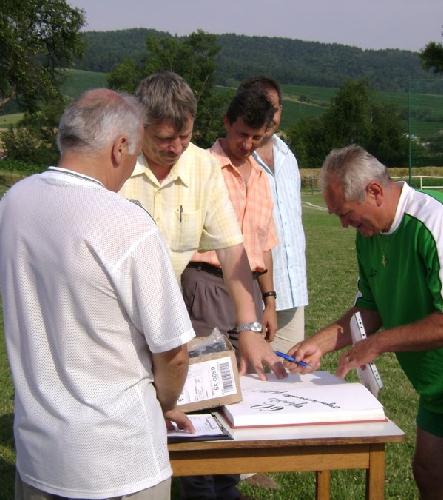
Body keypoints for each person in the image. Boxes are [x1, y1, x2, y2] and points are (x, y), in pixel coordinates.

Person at [287, 144, 443, 500]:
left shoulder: (436, 221)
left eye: (346, 213)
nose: (345, 224)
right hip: (439, 383)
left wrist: (377, 343)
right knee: (429, 475)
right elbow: (371, 308)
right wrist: (319, 343)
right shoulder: (368, 235)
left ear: (374, 192)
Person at [0, 89, 196, 499]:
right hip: (120, 460)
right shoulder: (127, 224)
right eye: (135, 154)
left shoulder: (11, 204)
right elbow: (173, 352)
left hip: (39, 455)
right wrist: (166, 401)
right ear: (120, 147)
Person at [118, 71, 285, 380]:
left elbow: (232, 250)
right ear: (139, 125)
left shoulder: (203, 167)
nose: (176, 148)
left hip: (166, 319)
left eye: (185, 136)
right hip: (113, 319)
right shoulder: (116, 162)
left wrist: (249, 328)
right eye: (164, 139)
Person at [179, 88, 279, 500]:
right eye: (242, 134)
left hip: (248, 292)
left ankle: (227, 484)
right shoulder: (201, 167)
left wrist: (268, 300)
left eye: (257, 137)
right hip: (205, 282)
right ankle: (198, 486)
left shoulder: (262, 177)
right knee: (201, 388)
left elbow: (264, 244)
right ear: (225, 122)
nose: (248, 144)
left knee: (238, 390)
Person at [237, 76, 308, 353]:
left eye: (275, 109)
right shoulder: (234, 161)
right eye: (262, 107)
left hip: (292, 293)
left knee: (288, 372)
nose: (269, 116)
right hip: (251, 297)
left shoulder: (288, 157)